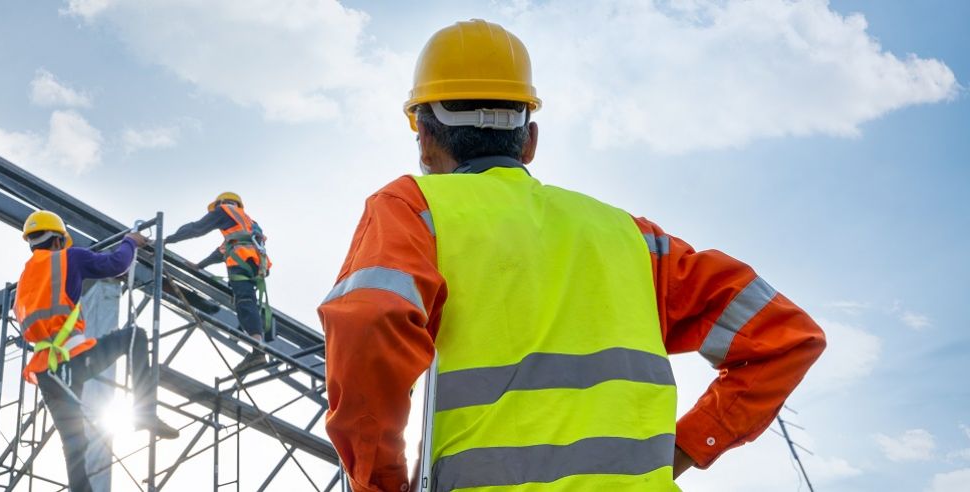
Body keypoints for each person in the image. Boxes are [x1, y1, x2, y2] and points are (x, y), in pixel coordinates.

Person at [318, 19, 827, 492]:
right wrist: (689, 444)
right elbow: (786, 337)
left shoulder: (413, 209)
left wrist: (379, 485)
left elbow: (369, 322)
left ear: (425, 139)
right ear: (530, 139)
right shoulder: (632, 237)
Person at [14, 210, 179, 492]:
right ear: (57, 240)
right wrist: (131, 242)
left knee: (73, 443)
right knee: (134, 337)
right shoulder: (69, 257)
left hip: (45, 371)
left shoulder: (25, 279)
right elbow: (117, 265)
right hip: (73, 356)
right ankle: (144, 412)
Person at [163, 192, 275, 373]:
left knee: (244, 301)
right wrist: (200, 265)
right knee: (246, 299)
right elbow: (222, 251)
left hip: (241, 262)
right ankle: (257, 348)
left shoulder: (224, 210)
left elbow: (196, 228)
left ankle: (257, 348)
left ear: (222, 203)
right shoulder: (248, 224)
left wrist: (168, 239)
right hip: (255, 264)